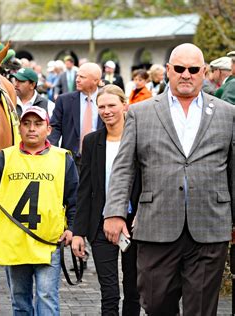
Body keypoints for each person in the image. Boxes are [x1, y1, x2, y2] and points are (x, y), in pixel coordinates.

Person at [103, 43, 234, 315]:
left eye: (194, 69)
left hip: (209, 226)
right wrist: (115, 212)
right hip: (156, 227)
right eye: (180, 68)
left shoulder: (227, 114)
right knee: (156, 303)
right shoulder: (141, 112)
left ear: (204, 72)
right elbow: (123, 167)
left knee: (201, 308)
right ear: (168, 71)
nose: (186, 74)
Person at [0, 106, 78, 315]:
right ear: (19, 128)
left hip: (49, 241)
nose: (31, 129)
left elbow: (74, 198)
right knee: (20, 302)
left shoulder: (63, 158)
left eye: (38, 124)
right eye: (26, 124)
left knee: (47, 299)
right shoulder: (4, 157)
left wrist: (72, 228)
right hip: (15, 241)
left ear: (48, 129)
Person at [72, 84, 140, 316]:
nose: (106, 110)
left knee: (134, 290)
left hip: (134, 224)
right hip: (100, 224)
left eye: (112, 105)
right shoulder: (92, 141)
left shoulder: (138, 138)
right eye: (101, 106)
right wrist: (78, 232)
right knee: (109, 292)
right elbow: (85, 189)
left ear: (124, 106)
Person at [48, 62, 104, 171]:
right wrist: (51, 153)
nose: (77, 79)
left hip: (99, 161)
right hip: (71, 161)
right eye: (77, 76)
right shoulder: (64, 101)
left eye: (82, 77)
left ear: (96, 81)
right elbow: (54, 128)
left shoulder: (106, 100)